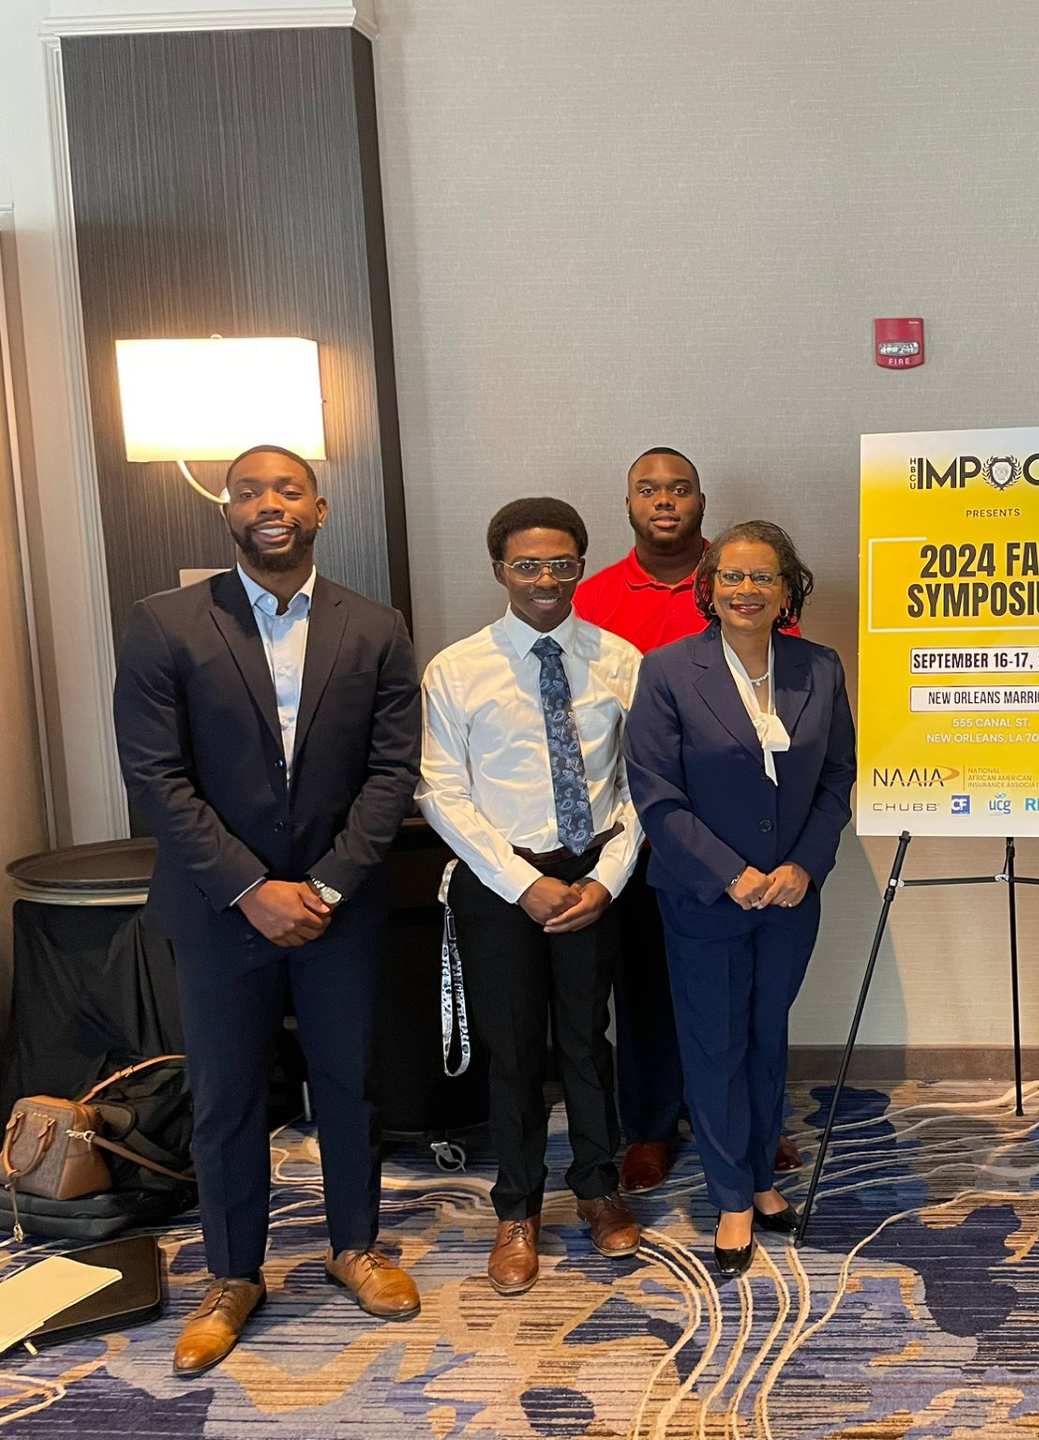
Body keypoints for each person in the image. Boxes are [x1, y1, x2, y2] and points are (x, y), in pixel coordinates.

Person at [112, 445, 422, 1377]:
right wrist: (250, 888)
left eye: (288, 489)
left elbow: (392, 772)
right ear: (228, 512)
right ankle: (232, 1275)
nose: (269, 504)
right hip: (220, 909)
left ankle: (354, 1246)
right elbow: (156, 777)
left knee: (350, 1083)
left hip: (339, 907)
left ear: (320, 509)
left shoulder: (377, 627)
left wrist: (323, 886)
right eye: (249, 492)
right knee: (226, 1095)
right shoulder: (165, 623)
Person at [417, 498, 644, 1294]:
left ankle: (598, 1187)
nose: (545, 579)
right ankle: (517, 1209)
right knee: (512, 1051)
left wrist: (605, 879)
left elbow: (641, 786)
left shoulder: (621, 660)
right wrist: (523, 883)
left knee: (587, 1042)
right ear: (500, 571)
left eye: (561, 564)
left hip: (591, 878)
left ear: (580, 565)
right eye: (527, 565)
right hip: (499, 882)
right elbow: (441, 792)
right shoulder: (456, 669)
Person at [624, 521, 854, 1276]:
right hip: (704, 895)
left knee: (766, 1034)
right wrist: (730, 874)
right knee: (714, 1041)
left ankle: (760, 1178)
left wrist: (804, 866)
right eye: (732, 576)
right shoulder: (668, 671)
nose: (746, 590)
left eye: (763, 577)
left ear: (788, 590)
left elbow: (837, 776)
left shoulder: (819, 667)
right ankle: (730, 1196)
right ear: (709, 587)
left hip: (791, 896)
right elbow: (656, 793)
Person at [573, 446, 804, 1190]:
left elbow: (785, 699)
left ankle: (750, 1124)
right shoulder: (595, 597)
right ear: (629, 504)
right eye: (648, 490)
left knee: (751, 993)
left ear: (701, 500)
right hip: (639, 824)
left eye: (679, 489)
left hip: (746, 830)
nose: (664, 501)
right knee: (646, 985)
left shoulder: (745, 579)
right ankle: (650, 1125)